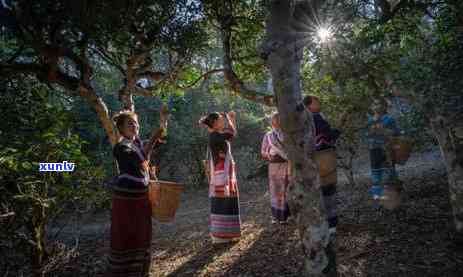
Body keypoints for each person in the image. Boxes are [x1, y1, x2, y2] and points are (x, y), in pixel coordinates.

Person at [108, 108, 167, 277]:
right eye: (130, 123)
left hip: (141, 198)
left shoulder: (137, 143)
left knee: (143, 233)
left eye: (135, 122)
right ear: (121, 128)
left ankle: (142, 271)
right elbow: (141, 157)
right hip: (126, 200)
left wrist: (163, 125)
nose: (134, 125)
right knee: (127, 234)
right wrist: (155, 137)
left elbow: (160, 141)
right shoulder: (120, 148)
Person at [200, 111, 241, 244]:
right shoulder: (214, 136)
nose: (223, 122)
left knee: (228, 199)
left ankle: (228, 234)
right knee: (222, 200)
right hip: (221, 172)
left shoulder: (217, 135)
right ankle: (220, 236)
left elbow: (231, 135)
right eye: (221, 120)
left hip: (225, 171)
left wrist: (231, 120)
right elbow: (231, 134)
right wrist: (230, 119)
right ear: (215, 123)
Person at [303, 95, 340, 235]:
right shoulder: (316, 117)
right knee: (328, 189)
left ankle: (318, 222)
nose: (319, 103)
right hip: (323, 157)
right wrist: (337, 132)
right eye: (316, 101)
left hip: (308, 159)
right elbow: (328, 135)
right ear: (309, 105)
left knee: (315, 190)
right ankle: (331, 224)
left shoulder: (302, 119)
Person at [366, 98, 401, 199]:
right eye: (374, 104)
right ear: (371, 107)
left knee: (388, 169)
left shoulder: (389, 119)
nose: (376, 107)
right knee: (375, 170)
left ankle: (390, 192)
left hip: (387, 148)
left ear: (384, 106)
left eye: (379, 104)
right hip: (374, 149)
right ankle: (377, 192)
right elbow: (366, 134)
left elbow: (396, 133)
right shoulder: (370, 120)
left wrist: (384, 131)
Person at [261, 112, 291, 224]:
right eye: (274, 120)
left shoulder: (287, 134)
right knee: (275, 190)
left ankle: (286, 215)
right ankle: (276, 216)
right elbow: (263, 151)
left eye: (278, 120)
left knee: (286, 189)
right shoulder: (268, 136)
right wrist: (267, 154)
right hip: (273, 165)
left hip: (287, 164)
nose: (276, 122)